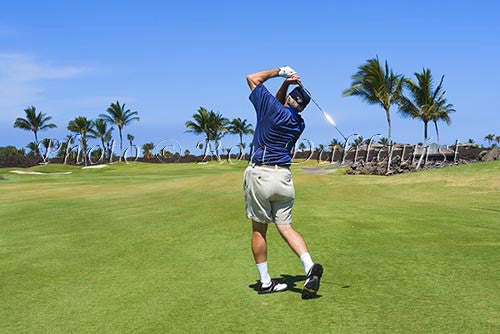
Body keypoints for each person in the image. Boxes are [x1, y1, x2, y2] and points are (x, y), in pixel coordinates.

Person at [244, 66, 323, 299]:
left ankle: (266, 282)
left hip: (261, 174)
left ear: (288, 99)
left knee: (259, 229)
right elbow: (282, 105)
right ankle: (309, 267)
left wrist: (281, 73)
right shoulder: (299, 124)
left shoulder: (271, 109)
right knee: (286, 228)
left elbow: (252, 78)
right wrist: (287, 86)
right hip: (284, 179)